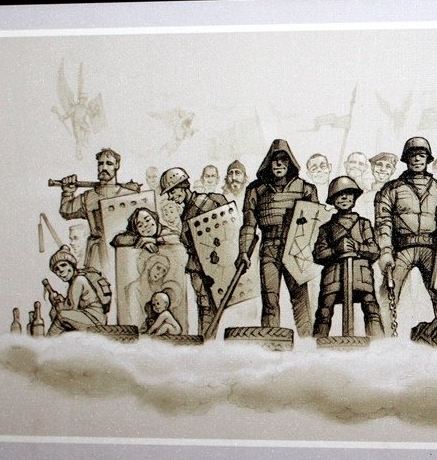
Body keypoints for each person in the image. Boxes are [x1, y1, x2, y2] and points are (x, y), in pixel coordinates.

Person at [375, 137, 437, 324]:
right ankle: (382, 336)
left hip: (431, 248)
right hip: (402, 249)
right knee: (388, 292)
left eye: (421, 155)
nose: (417, 159)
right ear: (406, 159)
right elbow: (383, 223)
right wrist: (385, 251)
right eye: (412, 155)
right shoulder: (391, 189)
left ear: (427, 159)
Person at [239, 140, 319, 334]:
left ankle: (307, 343)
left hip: (296, 248)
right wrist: (243, 251)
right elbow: (249, 224)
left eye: (284, 159)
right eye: (275, 159)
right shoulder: (256, 190)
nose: (279, 164)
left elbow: (314, 223)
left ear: (290, 162)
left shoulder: (305, 188)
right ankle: (270, 342)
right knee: (270, 299)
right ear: (269, 162)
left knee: (300, 299)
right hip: (269, 247)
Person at [160, 166, 230, 339]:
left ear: (183, 186)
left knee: (209, 305)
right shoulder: (186, 210)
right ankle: (206, 340)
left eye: (172, 191)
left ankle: (207, 342)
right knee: (204, 305)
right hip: (197, 264)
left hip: (212, 263)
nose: (171, 197)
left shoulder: (206, 202)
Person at [312, 177, 383, 338]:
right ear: (333, 199)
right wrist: (336, 250)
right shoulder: (326, 228)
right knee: (324, 313)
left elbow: (374, 250)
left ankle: (379, 345)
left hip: (361, 275)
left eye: (348, 193)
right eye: (339, 194)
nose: (344, 197)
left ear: (354, 197)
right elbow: (319, 254)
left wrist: (357, 247)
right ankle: (315, 346)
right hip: (333, 277)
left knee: (371, 310)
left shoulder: (364, 224)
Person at [58, 148, 139, 272]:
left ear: (117, 165)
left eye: (109, 163)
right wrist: (67, 193)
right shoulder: (88, 197)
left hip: (125, 252)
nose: (104, 167)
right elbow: (66, 212)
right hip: (97, 256)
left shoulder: (129, 194)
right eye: (101, 163)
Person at [44, 245, 107, 336]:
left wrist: (59, 304)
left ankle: (48, 340)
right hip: (87, 317)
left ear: (72, 265)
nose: (60, 270)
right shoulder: (73, 282)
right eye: (56, 269)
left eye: (63, 265)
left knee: (61, 315)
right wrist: (59, 302)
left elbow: (71, 308)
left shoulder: (79, 280)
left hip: (94, 318)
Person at [109, 207, 179, 252]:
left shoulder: (165, 231)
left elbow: (177, 238)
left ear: (154, 219)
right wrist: (138, 240)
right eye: (140, 225)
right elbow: (116, 240)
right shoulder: (139, 237)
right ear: (137, 230)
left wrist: (154, 241)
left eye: (148, 220)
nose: (145, 225)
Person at [356, 152, 397, 220]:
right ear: (372, 167)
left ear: (393, 170)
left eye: (388, 166)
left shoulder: (396, 194)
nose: (383, 169)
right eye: (379, 165)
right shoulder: (363, 197)